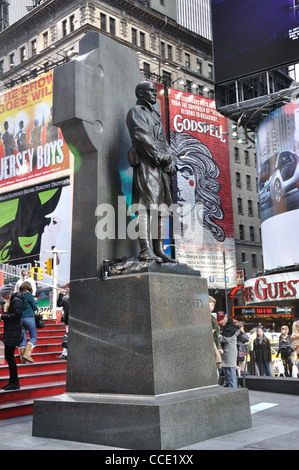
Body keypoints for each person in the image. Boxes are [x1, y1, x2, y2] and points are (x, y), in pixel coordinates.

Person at [126, 81, 177, 263]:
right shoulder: (136, 112)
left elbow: (164, 142)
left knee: (161, 209)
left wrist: (172, 161)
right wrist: (160, 157)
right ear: (140, 92)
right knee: (145, 208)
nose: (155, 93)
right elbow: (141, 136)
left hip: (160, 169)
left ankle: (158, 249)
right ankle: (145, 249)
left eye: (155, 91)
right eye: (151, 91)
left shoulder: (155, 115)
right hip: (147, 165)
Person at [0, 283, 24, 390]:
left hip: (13, 332)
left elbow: (17, 314)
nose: (3, 297)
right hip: (11, 331)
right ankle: (13, 381)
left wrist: (3, 317)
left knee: (9, 357)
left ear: (8, 294)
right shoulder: (13, 299)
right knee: (9, 357)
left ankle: (15, 382)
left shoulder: (16, 300)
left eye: (4, 295)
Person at [18, 281, 38, 364]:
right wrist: (35, 301)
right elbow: (34, 307)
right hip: (29, 318)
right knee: (33, 336)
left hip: (20, 319)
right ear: (29, 288)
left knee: (23, 337)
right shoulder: (29, 296)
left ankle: (23, 359)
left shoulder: (18, 296)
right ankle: (27, 354)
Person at [219, 315, 240, 388]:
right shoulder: (228, 329)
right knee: (227, 369)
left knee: (230, 370)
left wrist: (219, 336)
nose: (223, 321)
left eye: (225, 320)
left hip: (230, 352)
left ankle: (232, 386)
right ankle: (228, 384)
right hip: (228, 352)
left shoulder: (231, 330)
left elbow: (226, 339)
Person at [209, 296, 222, 374]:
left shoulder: (212, 317)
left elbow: (217, 332)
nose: (213, 306)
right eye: (211, 304)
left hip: (214, 344)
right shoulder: (203, 317)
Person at [57, 283, 69, 359]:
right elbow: (59, 304)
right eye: (66, 287)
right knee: (68, 335)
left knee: (68, 336)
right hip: (67, 318)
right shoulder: (65, 297)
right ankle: (65, 353)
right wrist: (60, 296)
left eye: (68, 287)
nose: (66, 289)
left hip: (71, 318)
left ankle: (65, 353)